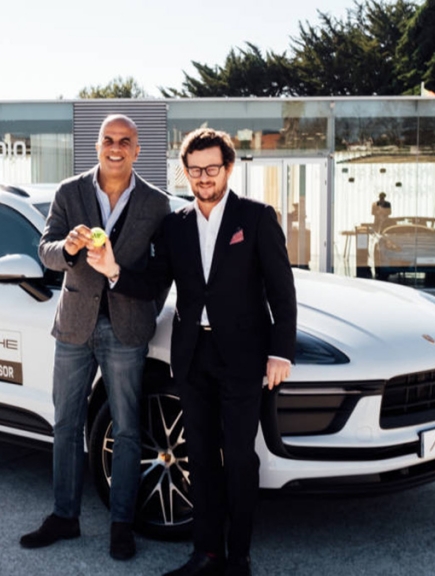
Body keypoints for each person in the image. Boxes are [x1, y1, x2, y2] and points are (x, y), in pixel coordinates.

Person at [87, 128, 297, 576]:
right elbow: (154, 282)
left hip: (243, 357)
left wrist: (281, 352)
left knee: (238, 458)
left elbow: (282, 290)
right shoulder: (175, 225)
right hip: (192, 355)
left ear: (228, 168)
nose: (204, 177)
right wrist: (113, 271)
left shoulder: (257, 217)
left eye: (212, 168)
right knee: (199, 457)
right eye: (195, 169)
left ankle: (238, 558)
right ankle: (207, 554)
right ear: (185, 172)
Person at [20, 114, 171, 561]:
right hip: (74, 325)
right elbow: (45, 251)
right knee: (66, 424)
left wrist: (146, 308)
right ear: (97, 145)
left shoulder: (156, 204)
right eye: (108, 139)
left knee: (126, 429)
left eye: (125, 141)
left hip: (127, 329)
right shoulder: (70, 192)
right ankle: (64, 516)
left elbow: (161, 273)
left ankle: (121, 524)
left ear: (137, 150)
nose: (115, 147)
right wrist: (67, 248)